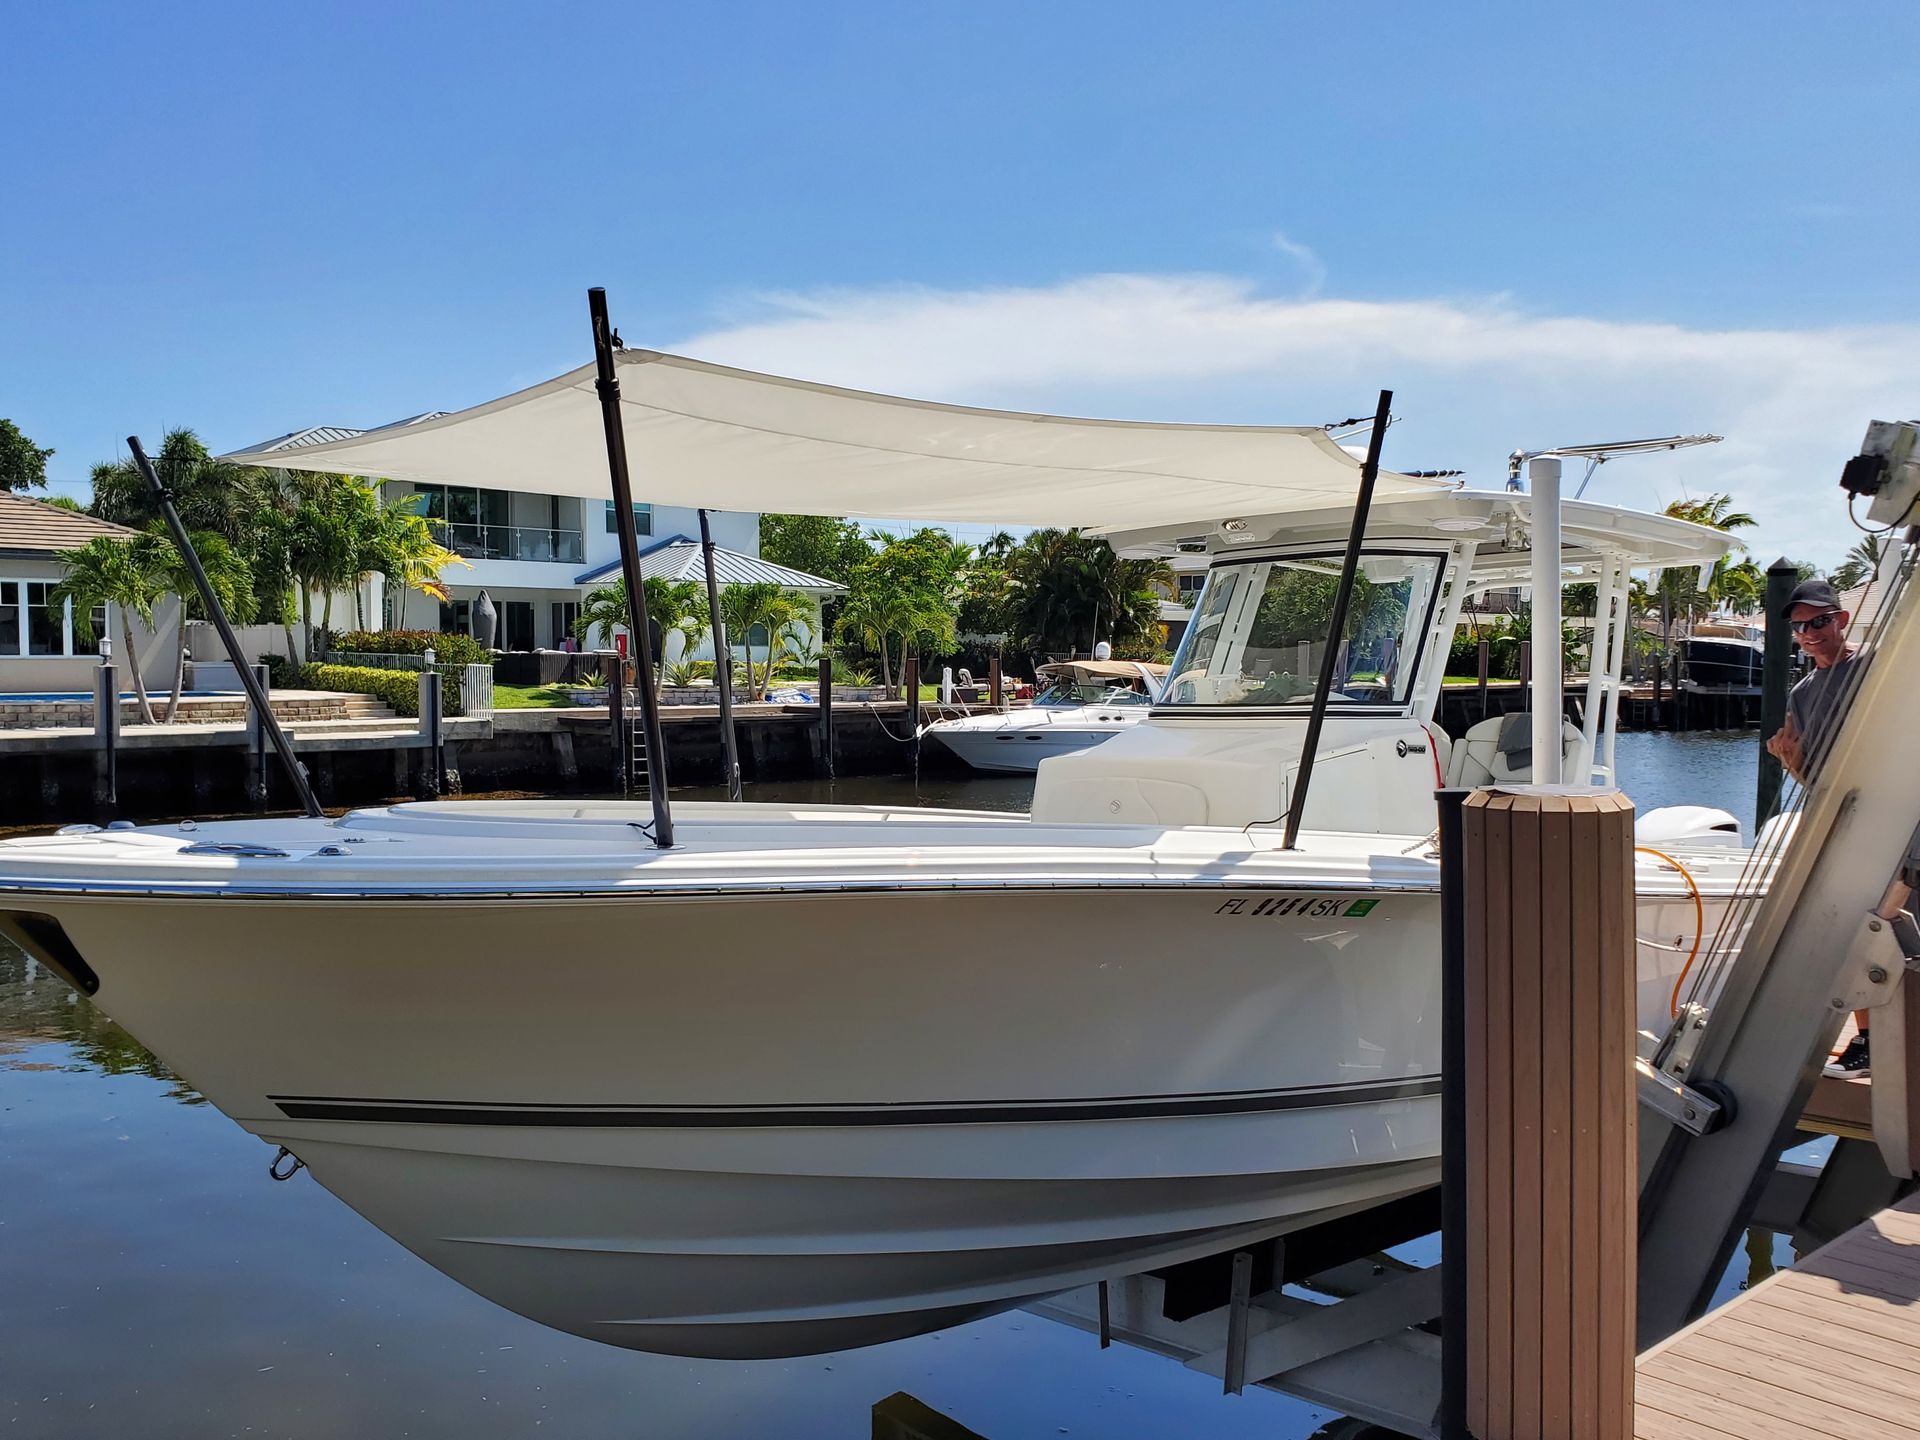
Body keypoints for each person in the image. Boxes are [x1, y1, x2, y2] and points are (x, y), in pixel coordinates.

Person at [1764, 578, 1872, 1075]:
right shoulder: (1803, 693)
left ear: (1841, 619)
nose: (1808, 634)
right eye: (1800, 627)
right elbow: (1816, 781)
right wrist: (1790, 761)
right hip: (1844, 826)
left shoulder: (1877, 667)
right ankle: (1869, 1041)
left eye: (1819, 622)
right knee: (1854, 935)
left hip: (1897, 821)